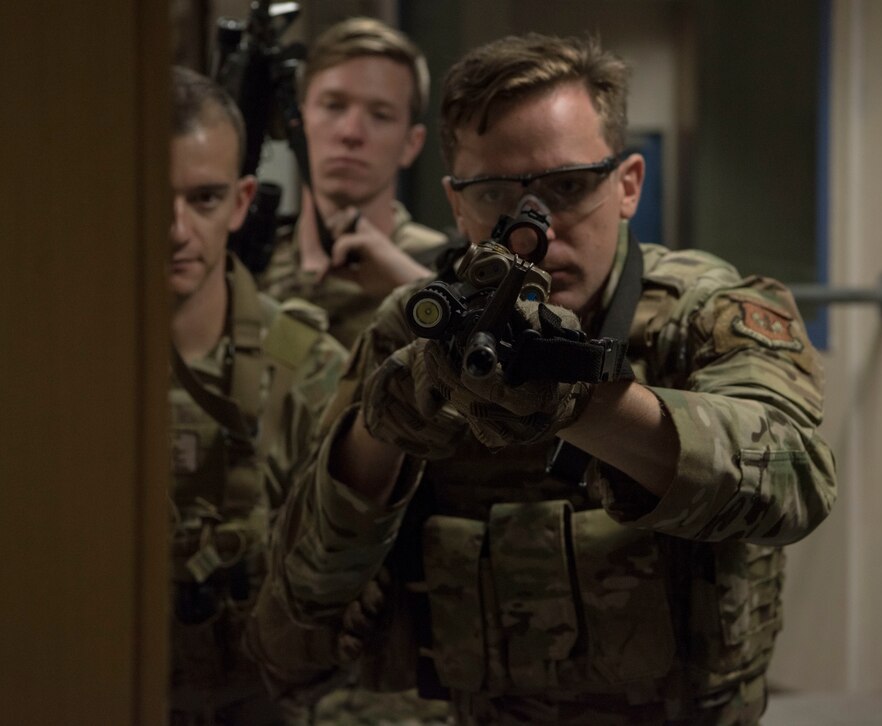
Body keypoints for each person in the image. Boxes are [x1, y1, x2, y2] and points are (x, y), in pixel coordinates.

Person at [247, 33, 838, 725]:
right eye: (496, 192)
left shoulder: (705, 313)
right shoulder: (413, 332)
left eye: (568, 186)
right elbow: (293, 620)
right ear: (456, 204)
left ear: (627, 185)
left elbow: (795, 485)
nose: (536, 230)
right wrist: (384, 436)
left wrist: (577, 399)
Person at [168, 66, 347, 725]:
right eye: (151, 197)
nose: (176, 229)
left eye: (204, 199)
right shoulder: (56, 364)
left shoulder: (305, 367)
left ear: (243, 202)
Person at [259, 16, 450, 349]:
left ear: (411, 144)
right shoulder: (253, 268)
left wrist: (413, 287)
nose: (351, 133)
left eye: (380, 115)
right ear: (299, 123)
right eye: (334, 106)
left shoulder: (450, 271)